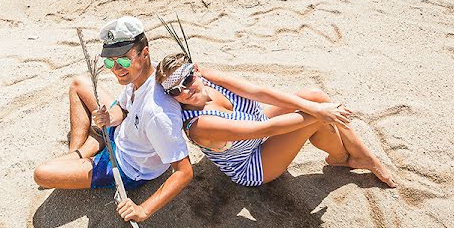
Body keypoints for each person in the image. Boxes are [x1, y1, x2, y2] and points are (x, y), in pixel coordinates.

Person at [154, 50, 397, 188]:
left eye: (186, 80)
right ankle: (351, 157)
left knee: (315, 97)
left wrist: (312, 105)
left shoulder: (209, 77)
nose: (184, 91)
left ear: (196, 70)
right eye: (174, 90)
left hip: (257, 127)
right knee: (317, 117)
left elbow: (258, 92)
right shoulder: (200, 125)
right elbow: (263, 129)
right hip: (250, 163)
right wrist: (318, 112)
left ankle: (351, 156)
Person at [33, 17, 194, 222]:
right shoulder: (142, 74)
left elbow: (184, 171)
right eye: (110, 61)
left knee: (42, 175)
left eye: (124, 59)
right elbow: (124, 108)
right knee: (78, 83)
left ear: (145, 52)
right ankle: (81, 152)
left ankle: (85, 151)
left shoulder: (157, 113)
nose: (116, 68)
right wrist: (110, 118)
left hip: (128, 165)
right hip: (121, 132)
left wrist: (143, 210)